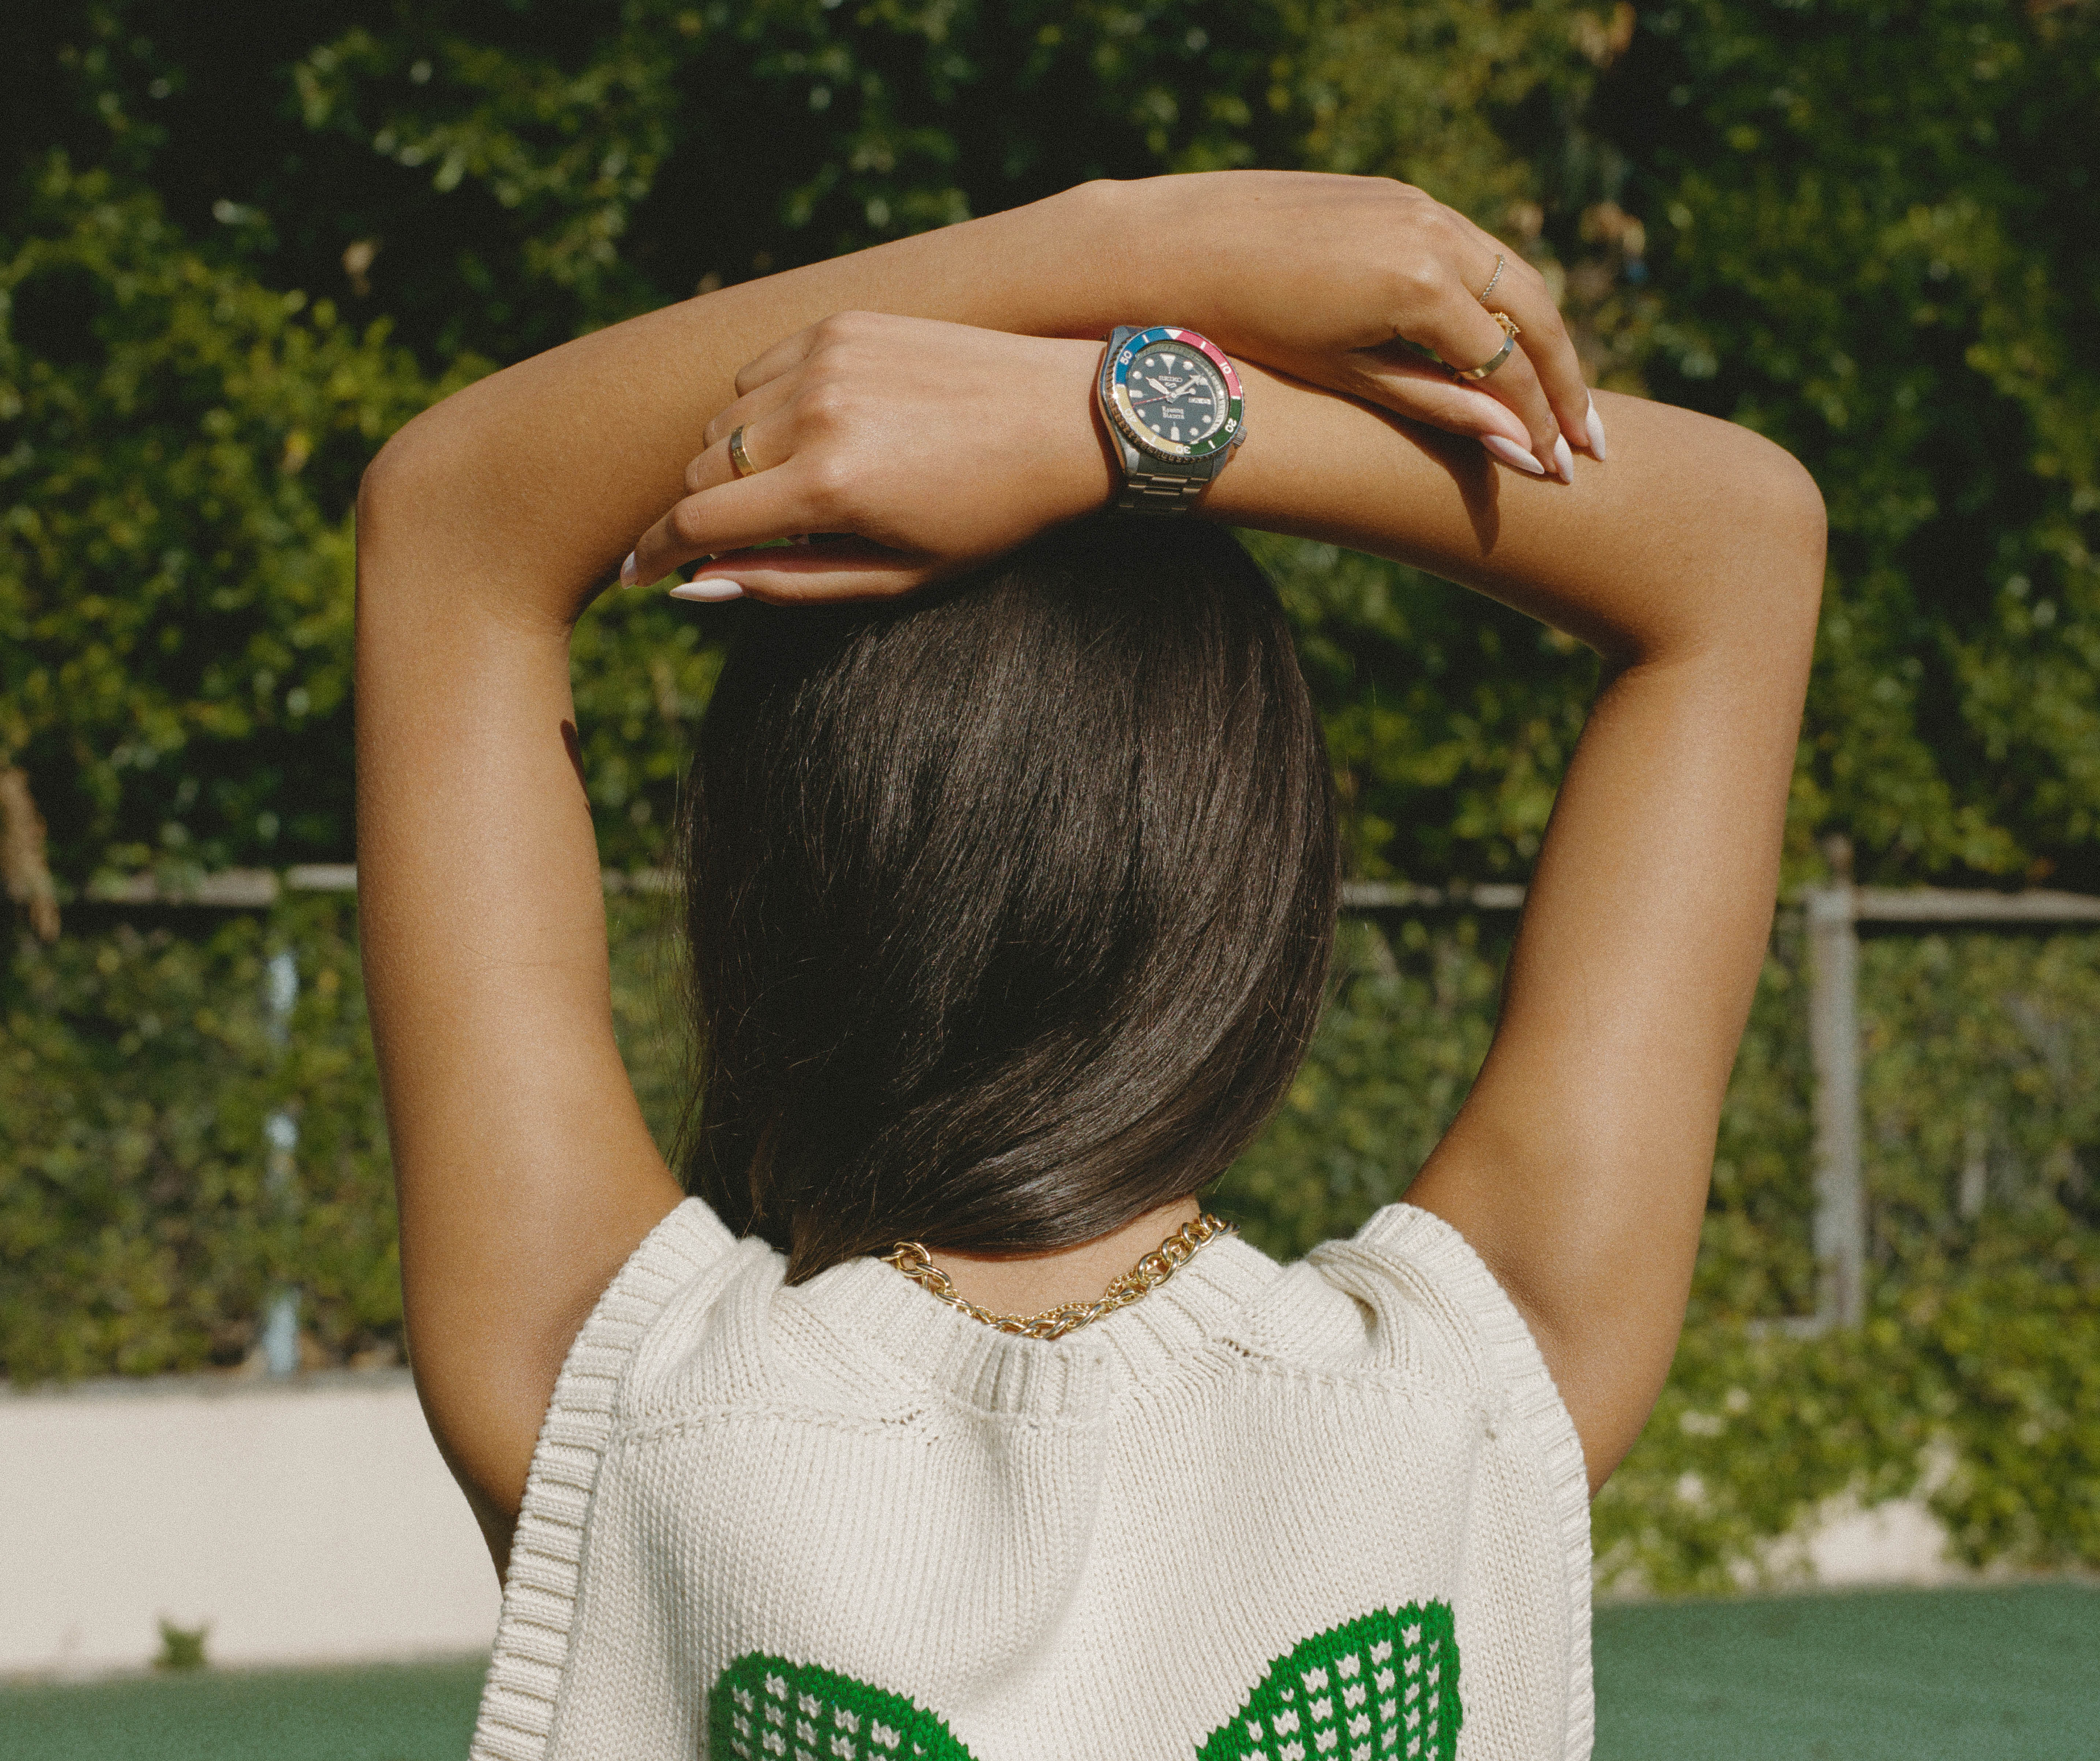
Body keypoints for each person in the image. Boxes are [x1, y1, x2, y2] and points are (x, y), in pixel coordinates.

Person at [355, 172, 1824, 1761]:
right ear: (1263, 888)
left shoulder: (626, 1404)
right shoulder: (1460, 1405)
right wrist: (1134, 417)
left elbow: (452, 521)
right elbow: (1741, 550)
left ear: (764, 878)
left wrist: (1130, 250)